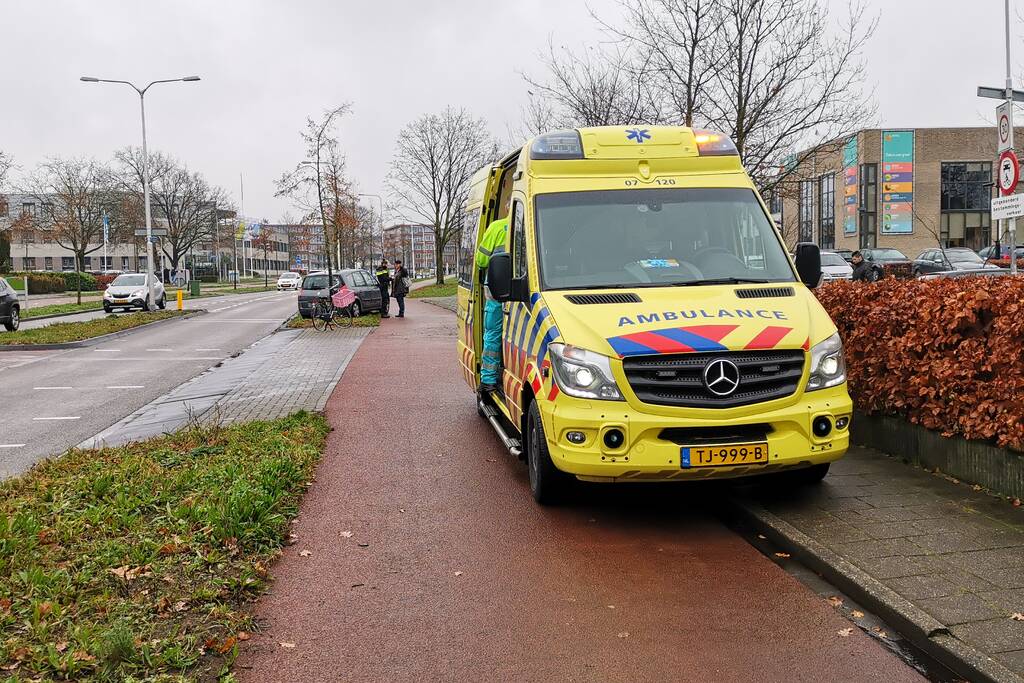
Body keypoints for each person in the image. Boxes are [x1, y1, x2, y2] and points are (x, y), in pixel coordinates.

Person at [475, 213, 509, 393]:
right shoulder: (530, 223)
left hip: (497, 288)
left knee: (493, 333)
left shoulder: (496, 227)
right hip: (523, 287)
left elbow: (481, 260)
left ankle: (488, 379)